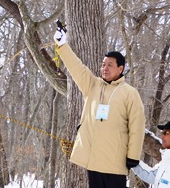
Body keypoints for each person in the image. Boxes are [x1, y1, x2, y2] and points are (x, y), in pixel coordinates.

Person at [54, 29, 145, 188]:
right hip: (93, 162)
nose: (105, 68)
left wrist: (133, 156)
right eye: (103, 65)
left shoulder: (130, 93)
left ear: (120, 68)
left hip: (115, 164)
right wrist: (62, 45)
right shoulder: (93, 85)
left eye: (110, 65)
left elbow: (137, 127)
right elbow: (77, 67)